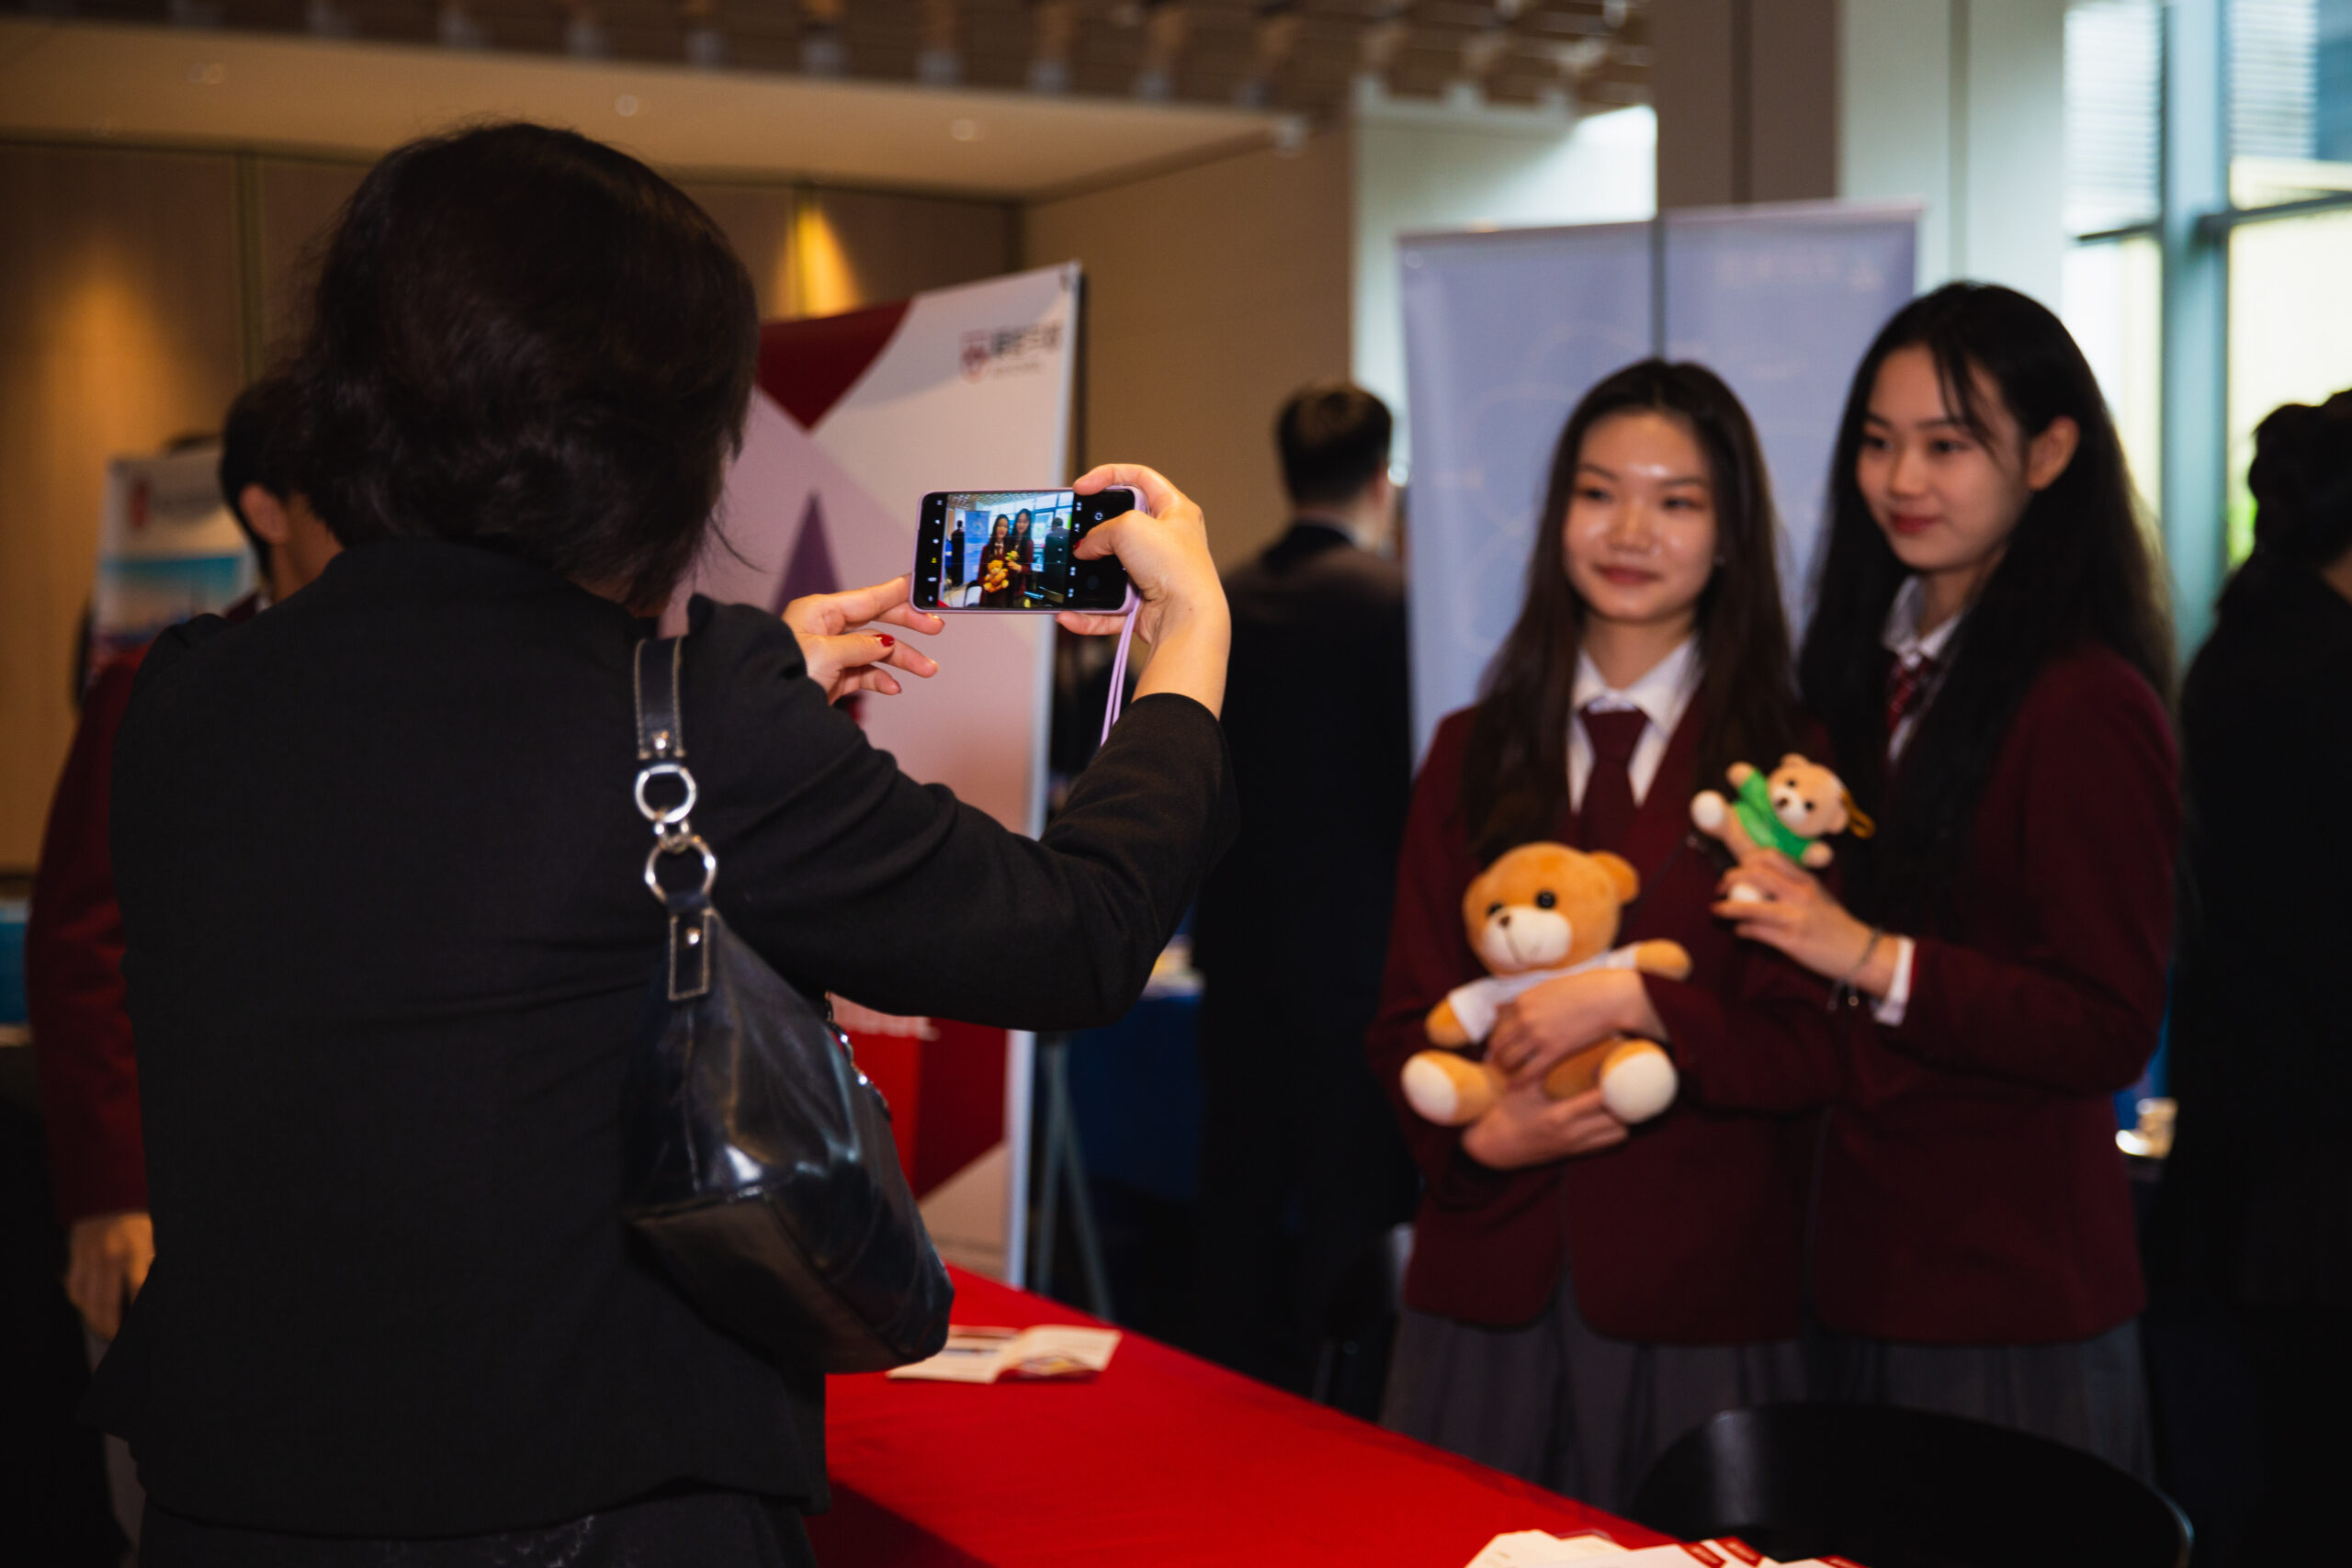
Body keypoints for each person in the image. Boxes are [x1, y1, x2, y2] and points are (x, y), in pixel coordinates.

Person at [96, 122, 1234, 1566]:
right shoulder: (701, 719)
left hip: (229, 1507)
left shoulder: (180, 697)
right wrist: (1189, 643)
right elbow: (1079, 931)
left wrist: (718, 707)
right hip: (589, 1510)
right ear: (657, 437)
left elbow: (445, 892)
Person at [1701, 283, 2176, 1474]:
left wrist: (1869, 956)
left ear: (2049, 454)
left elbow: (2107, 1023)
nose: (1902, 479)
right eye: (1878, 441)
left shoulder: (2086, 702)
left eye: (1948, 445)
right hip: (1845, 1262)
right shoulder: (1858, 671)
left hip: (2004, 1291)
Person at [1368, 361, 1823, 1512]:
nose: (1629, 531)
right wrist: (1482, 1140)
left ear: (1730, 535)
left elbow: (1809, 1046)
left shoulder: (1787, 767)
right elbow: (1403, 1017)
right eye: (1597, 492)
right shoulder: (1470, 748)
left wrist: (1643, 1005)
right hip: (1483, 1288)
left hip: (1700, 1306)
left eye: (1676, 501)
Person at [1188, 382, 1418, 1400]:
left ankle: (1216, 1397)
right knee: (1344, 1201)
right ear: (1380, 478)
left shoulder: (1224, 601)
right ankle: (1337, 1409)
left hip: (1238, 948)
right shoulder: (1399, 606)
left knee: (1233, 1194)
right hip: (1358, 957)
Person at [2154, 389, 2352, 1555]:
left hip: (2241, 1138)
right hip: (2314, 1156)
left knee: (2263, 1471)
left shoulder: (2240, 647)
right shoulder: (2325, 673)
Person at [978, 514, 1013, 606]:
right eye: (1000, 525)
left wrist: (1003, 576)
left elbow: (1011, 573)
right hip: (987, 596)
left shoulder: (1009, 550)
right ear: (995, 527)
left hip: (1002, 596)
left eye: (1005, 526)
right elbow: (980, 574)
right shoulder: (986, 549)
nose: (1002, 529)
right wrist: (986, 586)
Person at [944, 514, 967, 592]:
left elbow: (952, 543)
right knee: (960, 568)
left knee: (955, 567)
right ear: (961, 525)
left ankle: (954, 581)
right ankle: (959, 581)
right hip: (960, 553)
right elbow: (964, 544)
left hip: (954, 553)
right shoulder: (963, 533)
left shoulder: (953, 533)